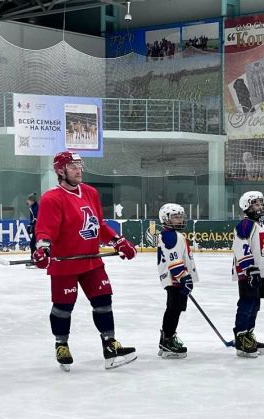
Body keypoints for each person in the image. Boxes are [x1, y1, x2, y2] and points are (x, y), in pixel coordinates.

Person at [32, 151, 138, 372]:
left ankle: (110, 345)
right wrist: (42, 249)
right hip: (65, 264)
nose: (78, 170)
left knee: (103, 301)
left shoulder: (90, 192)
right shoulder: (52, 198)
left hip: (91, 261)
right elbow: (45, 229)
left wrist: (117, 240)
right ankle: (61, 344)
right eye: (72, 166)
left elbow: (97, 224)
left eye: (79, 165)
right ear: (61, 172)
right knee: (63, 307)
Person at [232, 191, 264, 357]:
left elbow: (262, 250)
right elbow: (241, 246)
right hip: (248, 272)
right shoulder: (245, 224)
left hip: (258, 272)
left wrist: (263, 271)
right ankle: (241, 337)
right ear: (246, 206)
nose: (260, 206)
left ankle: (248, 333)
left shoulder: (260, 225)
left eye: (261, 203)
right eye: (256, 203)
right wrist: (249, 268)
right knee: (247, 303)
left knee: (255, 304)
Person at [156, 203, 197, 359]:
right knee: (173, 309)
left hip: (175, 279)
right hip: (175, 280)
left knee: (175, 309)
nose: (179, 220)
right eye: (175, 217)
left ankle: (167, 338)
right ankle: (167, 340)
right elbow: (173, 258)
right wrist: (183, 277)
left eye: (180, 216)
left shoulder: (171, 234)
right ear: (166, 219)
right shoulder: (170, 235)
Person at [26, 193, 39, 265]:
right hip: (36, 228)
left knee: (33, 244)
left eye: (29, 200)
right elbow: (33, 219)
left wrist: (32, 226)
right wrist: (30, 225)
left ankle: (35, 259)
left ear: (32, 200)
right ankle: (34, 258)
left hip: (38, 228)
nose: (27, 202)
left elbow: (37, 218)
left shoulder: (36, 208)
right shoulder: (32, 207)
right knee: (33, 244)